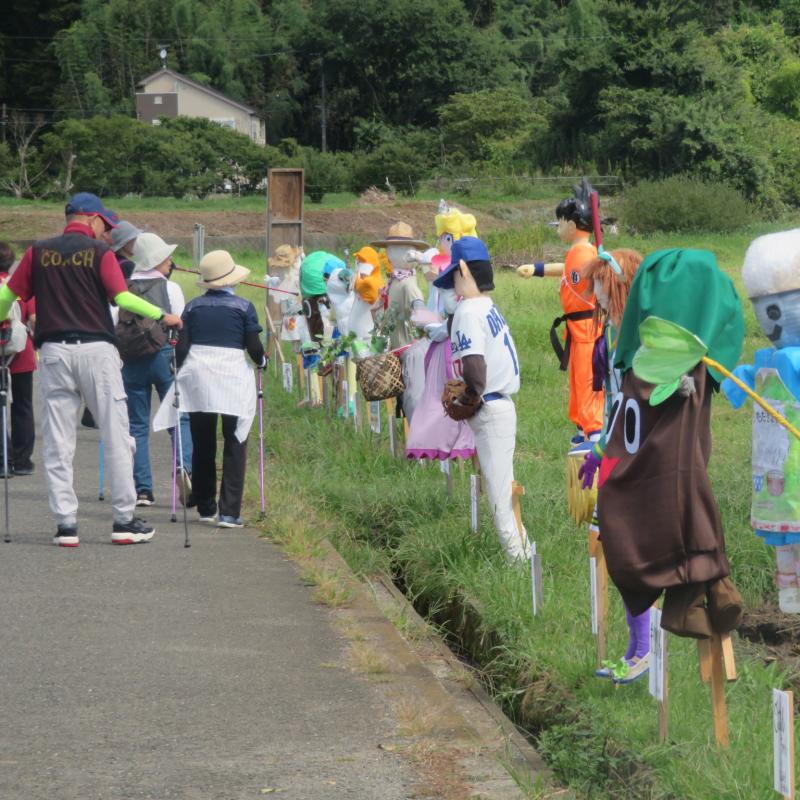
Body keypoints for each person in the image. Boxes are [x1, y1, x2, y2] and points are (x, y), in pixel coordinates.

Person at [0, 192, 182, 546]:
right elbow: (122, 298)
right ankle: (124, 521)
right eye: (106, 226)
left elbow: (8, 296)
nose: (108, 233)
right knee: (117, 435)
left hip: (54, 352)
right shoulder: (100, 253)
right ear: (92, 218)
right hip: (97, 351)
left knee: (58, 440)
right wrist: (163, 315)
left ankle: (66, 525)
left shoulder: (37, 251)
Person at [577, 248, 649, 684]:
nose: (597, 297)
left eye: (603, 286)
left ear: (622, 285)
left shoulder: (645, 341)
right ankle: (635, 646)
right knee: (617, 551)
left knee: (634, 555)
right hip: (615, 455)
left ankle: (644, 649)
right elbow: (617, 407)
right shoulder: (614, 336)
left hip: (642, 465)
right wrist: (600, 448)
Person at [434, 237, 529, 561]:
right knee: (503, 485)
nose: (454, 285)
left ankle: (519, 563)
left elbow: (475, 369)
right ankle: (524, 553)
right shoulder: (488, 305)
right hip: (503, 403)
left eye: (454, 276)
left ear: (462, 269)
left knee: (499, 494)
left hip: (489, 407)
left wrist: (468, 397)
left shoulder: (468, 311)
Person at [158, 250, 265, 528]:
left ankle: (206, 505)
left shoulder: (192, 308)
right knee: (234, 441)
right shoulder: (244, 307)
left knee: (202, 441)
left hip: (198, 377)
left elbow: (181, 346)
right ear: (231, 280)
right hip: (231, 377)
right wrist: (262, 360)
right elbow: (253, 347)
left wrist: (177, 369)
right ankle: (229, 512)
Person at [122, 232, 193, 507]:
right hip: (165, 357)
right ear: (159, 260)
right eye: (167, 257)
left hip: (131, 361)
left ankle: (142, 490)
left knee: (137, 425)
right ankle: (183, 467)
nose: (171, 262)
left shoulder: (124, 288)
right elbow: (182, 325)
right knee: (178, 418)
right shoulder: (171, 289)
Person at [551, 180, 604, 443]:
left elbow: (590, 275)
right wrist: (536, 269)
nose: (558, 228)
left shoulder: (584, 253)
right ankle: (583, 425)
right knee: (577, 378)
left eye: (559, 223)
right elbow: (565, 273)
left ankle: (593, 428)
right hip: (577, 328)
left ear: (572, 225)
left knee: (587, 378)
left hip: (586, 329)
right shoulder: (578, 252)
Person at [0, 242, 36, 476]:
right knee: (22, 405)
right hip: (21, 353)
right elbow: (34, 318)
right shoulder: (20, 286)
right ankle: (22, 460)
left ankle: (4, 458)